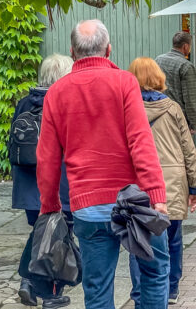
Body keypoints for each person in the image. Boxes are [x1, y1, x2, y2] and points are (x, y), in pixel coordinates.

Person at [36, 19, 170, 309]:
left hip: (88, 206)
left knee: (97, 288)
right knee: (155, 273)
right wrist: (157, 195)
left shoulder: (56, 92)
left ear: (73, 51)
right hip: (135, 202)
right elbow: (141, 142)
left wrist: (49, 206)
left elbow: (46, 158)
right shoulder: (124, 82)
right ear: (109, 50)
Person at [127, 57, 196, 306]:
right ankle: (170, 289)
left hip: (139, 183)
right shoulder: (173, 109)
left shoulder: (127, 108)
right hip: (172, 181)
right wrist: (195, 186)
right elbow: (188, 150)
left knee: (137, 239)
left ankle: (139, 291)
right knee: (173, 238)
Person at [11, 54, 74, 308]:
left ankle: (29, 283)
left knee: (41, 232)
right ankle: (50, 294)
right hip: (57, 184)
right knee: (59, 235)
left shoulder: (25, 102)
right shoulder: (64, 103)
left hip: (27, 185)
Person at [155, 32, 196, 133]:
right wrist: (193, 123)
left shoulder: (158, 60)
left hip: (159, 114)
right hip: (178, 118)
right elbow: (190, 98)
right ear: (185, 46)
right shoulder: (186, 66)